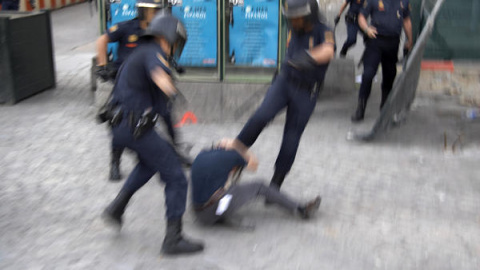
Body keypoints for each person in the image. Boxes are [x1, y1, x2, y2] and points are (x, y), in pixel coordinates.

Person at [101, 13, 204, 255]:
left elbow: (163, 112)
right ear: (168, 36)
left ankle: (116, 208)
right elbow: (159, 76)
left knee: (149, 164)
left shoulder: (140, 53)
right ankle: (173, 239)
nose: (176, 48)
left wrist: (176, 146)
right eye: (176, 42)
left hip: (122, 129)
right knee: (177, 178)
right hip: (133, 126)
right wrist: (171, 89)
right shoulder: (152, 52)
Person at [233, 0, 335, 191]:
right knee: (260, 116)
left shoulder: (324, 29)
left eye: (296, 19)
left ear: (308, 16)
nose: (292, 22)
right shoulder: (294, 27)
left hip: (307, 91)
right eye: (291, 18)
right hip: (285, 82)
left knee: (292, 136)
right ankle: (233, 157)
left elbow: (328, 51)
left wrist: (309, 57)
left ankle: (275, 184)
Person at [95, 0, 191, 181]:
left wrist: (172, 68)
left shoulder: (157, 33)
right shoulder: (126, 27)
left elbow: (160, 56)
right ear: (141, 10)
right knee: (120, 119)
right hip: (127, 83)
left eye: (155, 10)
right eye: (149, 10)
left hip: (150, 84)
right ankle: (115, 162)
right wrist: (102, 65)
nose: (152, 13)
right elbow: (102, 40)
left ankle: (175, 151)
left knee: (166, 113)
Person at [191, 138, 321, 227]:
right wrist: (242, 148)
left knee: (230, 187)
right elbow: (254, 165)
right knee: (260, 186)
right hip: (213, 212)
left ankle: (220, 213)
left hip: (199, 214)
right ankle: (301, 210)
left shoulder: (202, 154)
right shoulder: (231, 155)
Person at [351, 0, 412, 122]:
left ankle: (384, 106)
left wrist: (410, 39)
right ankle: (360, 108)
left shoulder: (403, 2)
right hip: (375, 42)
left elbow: (406, 20)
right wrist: (367, 29)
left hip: (393, 43)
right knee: (368, 74)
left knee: (390, 75)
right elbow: (362, 16)